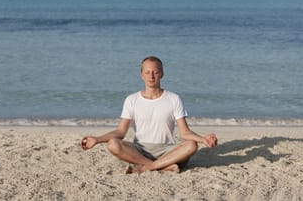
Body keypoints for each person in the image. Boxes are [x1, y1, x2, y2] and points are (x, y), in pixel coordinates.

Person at [81, 56, 218, 173]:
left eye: (155, 72)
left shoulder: (173, 98)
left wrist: (203, 139)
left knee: (191, 145)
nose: (151, 76)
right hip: (139, 150)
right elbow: (120, 132)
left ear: (162, 74)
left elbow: (185, 132)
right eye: (147, 72)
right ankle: (161, 167)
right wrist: (97, 139)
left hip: (167, 151)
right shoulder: (131, 99)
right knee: (112, 144)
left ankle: (148, 167)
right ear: (141, 75)